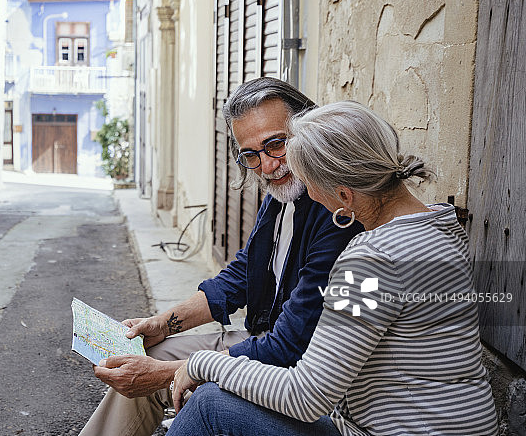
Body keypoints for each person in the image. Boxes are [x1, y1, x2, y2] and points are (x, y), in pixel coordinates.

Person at [169, 100, 498, 436]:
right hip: (463, 425)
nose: (309, 196)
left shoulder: (373, 260)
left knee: (210, 403)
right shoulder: (439, 222)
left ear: (343, 196)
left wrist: (202, 363)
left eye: (309, 186)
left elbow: (305, 396)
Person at [79, 78, 362, 436]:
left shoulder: (335, 210)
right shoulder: (281, 195)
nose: (267, 166)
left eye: (276, 144)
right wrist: (162, 323)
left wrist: (172, 372)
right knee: (146, 358)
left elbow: (291, 347)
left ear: (308, 130)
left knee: (187, 390)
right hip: (265, 341)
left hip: (296, 371)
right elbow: (242, 275)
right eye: (251, 155)